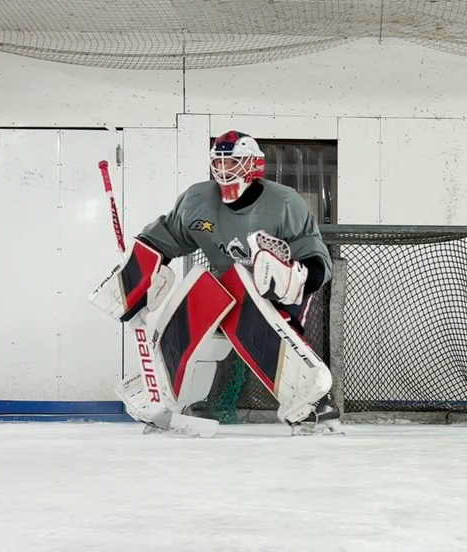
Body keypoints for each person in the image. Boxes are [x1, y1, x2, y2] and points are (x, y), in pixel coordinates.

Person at [101, 130, 339, 432]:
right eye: (220, 162)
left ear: (253, 164)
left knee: (275, 330)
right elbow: (166, 237)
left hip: (275, 287)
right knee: (186, 318)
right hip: (227, 281)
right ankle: (159, 394)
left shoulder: (284, 202)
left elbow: (312, 252)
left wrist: (300, 277)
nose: (225, 169)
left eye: (233, 162)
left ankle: (314, 404)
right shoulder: (197, 199)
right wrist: (136, 276)